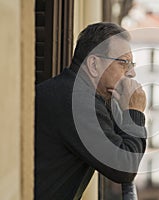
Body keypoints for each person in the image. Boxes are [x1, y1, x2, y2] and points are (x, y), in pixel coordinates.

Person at [35, 22, 147, 199]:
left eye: (131, 64)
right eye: (124, 63)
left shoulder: (79, 92)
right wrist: (135, 112)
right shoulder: (76, 102)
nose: (132, 73)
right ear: (94, 64)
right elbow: (124, 167)